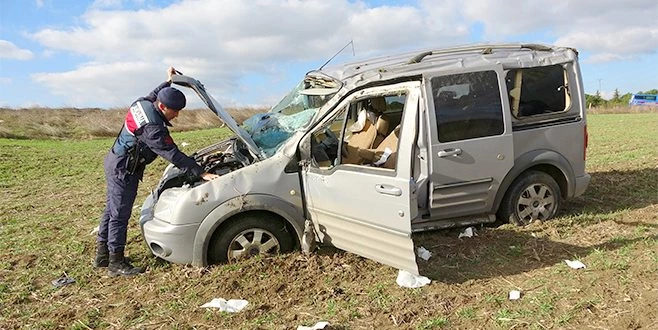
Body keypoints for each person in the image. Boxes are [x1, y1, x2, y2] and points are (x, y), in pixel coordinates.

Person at [94, 67, 219, 277]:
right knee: (119, 214)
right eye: (174, 110)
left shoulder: (144, 103)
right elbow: (171, 153)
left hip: (116, 160)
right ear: (162, 106)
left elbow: (155, 92)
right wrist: (200, 173)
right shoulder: (152, 128)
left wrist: (169, 81)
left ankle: (102, 255)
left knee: (112, 209)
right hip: (124, 168)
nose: (177, 115)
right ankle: (115, 262)